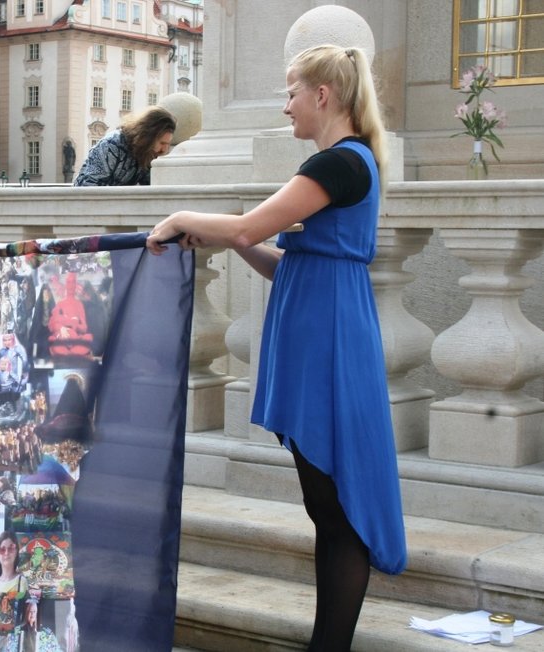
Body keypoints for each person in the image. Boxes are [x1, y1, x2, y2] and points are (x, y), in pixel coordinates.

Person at [147, 45, 407, 651]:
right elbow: (281, 262)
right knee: (326, 506)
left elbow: (245, 225)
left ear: (323, 96)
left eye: (291, 91)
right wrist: (233, 241)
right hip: (324, 332)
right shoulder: (341, 163)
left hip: (329, 343)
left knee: (337, 510)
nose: (285, 104)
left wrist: (186, 215)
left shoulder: (338, 164)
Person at [73, 106, 176, 186]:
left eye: (168, 144)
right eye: (162, 143)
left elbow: (152, 184)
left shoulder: (147, 152)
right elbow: (87, 185)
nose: (165, 149)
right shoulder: (111, 146)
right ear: (148, 137)